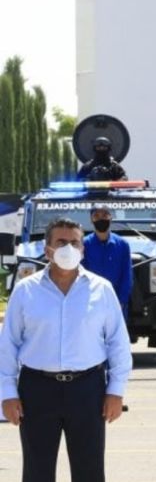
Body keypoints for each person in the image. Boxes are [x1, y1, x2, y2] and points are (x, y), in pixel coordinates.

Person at [0, 217, 132, 482]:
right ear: (47, 249)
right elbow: (8, 345)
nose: (68, 248)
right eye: (61, 242)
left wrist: (116, 391)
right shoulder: (26, 291)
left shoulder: (101, 290)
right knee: (37, 472)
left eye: (74, 242)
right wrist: (7, 394)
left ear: (83, 250)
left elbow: (118, 343)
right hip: (37, 389)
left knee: (90, 471)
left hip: (87, 389)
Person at [82, 203, 133, 319]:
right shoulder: (84, 245)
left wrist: (121, 301)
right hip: (90, 303)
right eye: (96, 216)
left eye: (105, 215)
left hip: (117, 303)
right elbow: (81, 275)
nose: (101, 219)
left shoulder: (122, 245)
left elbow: (127, 276)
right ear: (91, 220)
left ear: (111, 217)